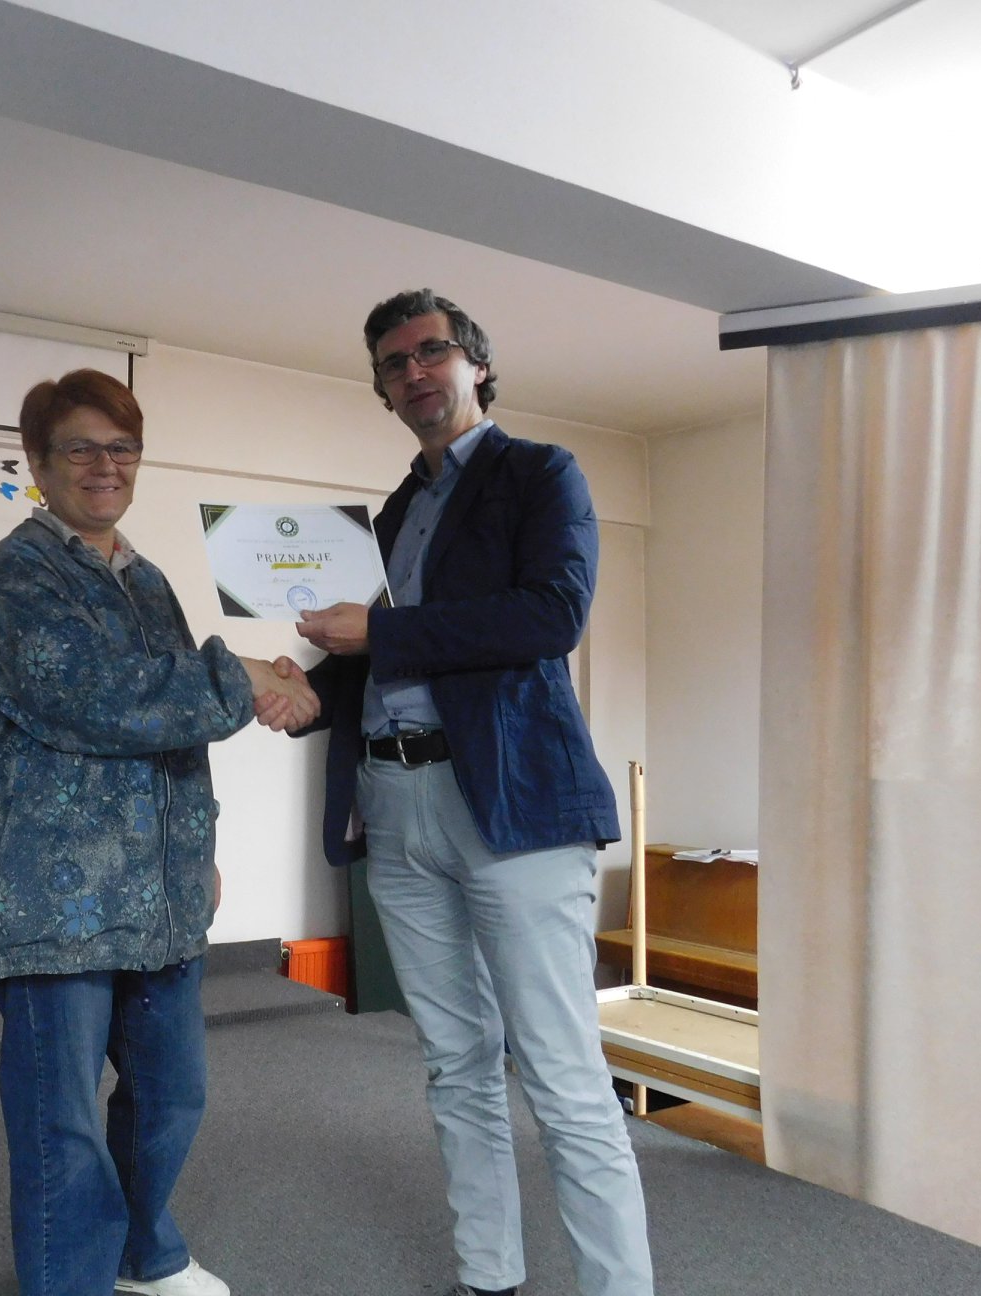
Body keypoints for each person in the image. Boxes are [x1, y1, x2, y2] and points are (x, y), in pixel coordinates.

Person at [290, 290, 654, 1296]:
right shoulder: (393, 514)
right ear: (381, 389)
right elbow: (372, 660)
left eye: (431, 351)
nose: (413, 371)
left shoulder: (541, 473)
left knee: (563, 1076)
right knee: (455, 1065)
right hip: (395, 805)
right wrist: (293, 691)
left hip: (514, 806)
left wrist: (378, 633)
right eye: (392, 363)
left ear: (476, 365)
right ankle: (487, 1276)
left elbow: (551, 615)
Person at [0, 368, 317, 1296]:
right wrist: (245, 674)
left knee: (170, 1093)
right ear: (39, 462)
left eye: (122, 447)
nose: (104, 465)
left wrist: (197, 853)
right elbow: (99, 699)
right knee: (62, 1118)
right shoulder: (21, 571)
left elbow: (171, 726)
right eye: (80, 447)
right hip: (57, 892)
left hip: (159, 889)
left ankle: (141, 1256)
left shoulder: (145, 577)